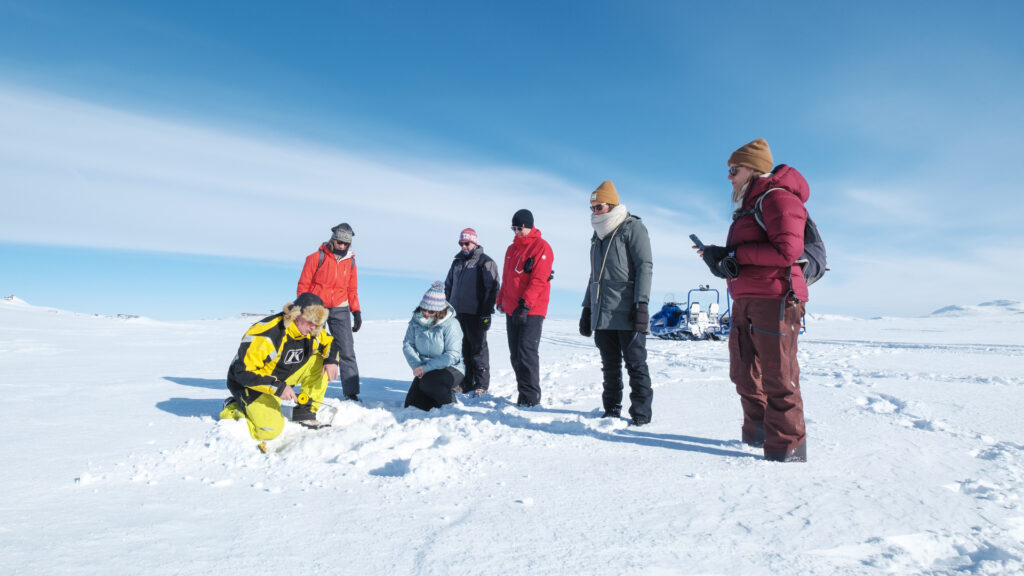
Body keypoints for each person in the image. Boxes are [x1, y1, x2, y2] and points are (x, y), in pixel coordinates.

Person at [694, 138, 809, 462]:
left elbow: (788, 251)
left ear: (754, 168)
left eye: (734, 169)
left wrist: (733, 253)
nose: (729, 176)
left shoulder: (778, 199)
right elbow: (746, 257)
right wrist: (719, 259)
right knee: (743, 373)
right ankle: (757, 437)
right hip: (745, 299)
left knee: (778, 376)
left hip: (775, 298)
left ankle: (786, 451)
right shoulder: (748, 208)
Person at [219, 293, 340, 449]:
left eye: (318, 324)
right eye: (311, 322)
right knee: (270, 430)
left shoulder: (313, 330)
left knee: (321, 361)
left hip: (281, 377)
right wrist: (277, 387)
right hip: (249, 383)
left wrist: (331, 360)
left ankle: (305, 412)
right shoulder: (267, 334)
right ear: (296, 315)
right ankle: (233, 407)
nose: (314, 327)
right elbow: (242, 372)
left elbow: (331, 342)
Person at [578, 180, 654, 426]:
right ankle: (611, 409)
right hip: (603, 312)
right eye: (591, 208)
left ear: (611, 205)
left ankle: (641, 415)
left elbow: (645, 266)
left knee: (635, 363)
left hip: (627, 309)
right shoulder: (597, 235)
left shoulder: (632, 227)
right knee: (609, 365)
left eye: (598, 207)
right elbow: (594, 274)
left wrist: (641, 304)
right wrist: (587, 307)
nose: (594, 212)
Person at [296, 222, 362, 401]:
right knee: (313, 348)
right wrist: (305, 310)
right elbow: (303, 285)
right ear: (333, 240)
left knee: (347, 350)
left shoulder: (351, 262)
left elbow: (352, 288)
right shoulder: (315, 258)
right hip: (317, 308)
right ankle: (308, 390)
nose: (342, 246)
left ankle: (351, 393)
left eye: (346, 244)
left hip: (341, 308)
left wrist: (356, 311)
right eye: (339, 242)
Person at [496, 209, 554, 407]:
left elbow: (539, 279)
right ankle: (523, 394)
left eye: (519, 228)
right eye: (513, 228)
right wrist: (501, 300)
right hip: (512, 308)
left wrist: (525, 305)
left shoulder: (542, 247)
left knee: (526, 352)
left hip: (532, 309)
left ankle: (530, 399)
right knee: (515, 354)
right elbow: (507, 278)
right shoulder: (511, 250)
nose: (516, 232)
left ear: (529, 226)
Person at [444, 227, 500, 397]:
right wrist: (446, 308)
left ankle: (481, 384)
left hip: (476, 313)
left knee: (478, 349)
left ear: (474, 242)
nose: (463, 246)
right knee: (462, 349)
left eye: (466, 243)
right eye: (461, 243)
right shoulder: (457, 262)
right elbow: (448, 285)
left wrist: (486, 312)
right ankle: (465, 382)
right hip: (457, 314)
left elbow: (492, 288)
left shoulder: (485, 262)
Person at [402, 281, 465, 411]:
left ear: (439, 310)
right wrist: (418, 366)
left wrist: (425, 368)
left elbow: (452, 355)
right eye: (423, 309)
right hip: (425, 368)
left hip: (451, 367)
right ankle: (436, 400)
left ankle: (451, 406)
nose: (426, 313)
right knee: (412, 406)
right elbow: (408, 345)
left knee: (429, 384)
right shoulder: (415, 321)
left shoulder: (451, 324)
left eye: (431, 311)